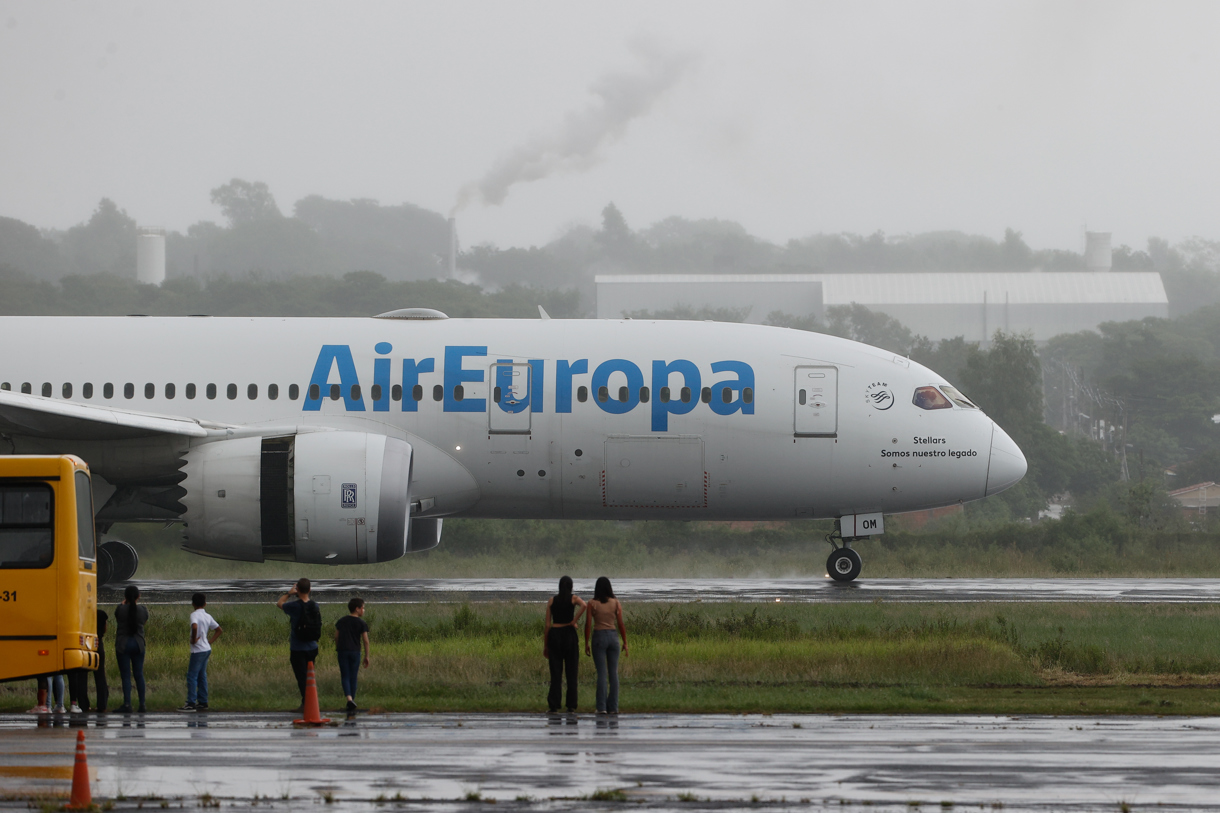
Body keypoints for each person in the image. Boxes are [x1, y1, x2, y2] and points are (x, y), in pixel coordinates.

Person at [584, 576, 629, 715]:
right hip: (613, 637)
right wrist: (625, 642)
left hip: (599, 636)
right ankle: (613, 707)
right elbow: (620, 623)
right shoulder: (615, 602)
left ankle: (602, 707)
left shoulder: (592, 603)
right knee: (613, 674)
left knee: (602, 674)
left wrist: (586, 642)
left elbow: (588, 624)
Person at [276, 578, 322, 712]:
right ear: (310, 589)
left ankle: (306, 703)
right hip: (313, 646)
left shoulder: (294, 606)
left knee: (302, 677)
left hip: (298, 647)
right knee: (310, 675)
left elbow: (280, 603)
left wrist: (289, 593)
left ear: (298, 590)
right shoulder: (315, 605)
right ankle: (309, 700)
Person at [543, 575, 586, 713]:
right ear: (571, 586)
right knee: (571, 670)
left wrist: (546, 644)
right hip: (569, 633)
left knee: (555, 672)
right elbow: (584, 605)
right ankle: (571, 705)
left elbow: (547, 625)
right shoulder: (573, 599)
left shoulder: (552, 601)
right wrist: (574, 621)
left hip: (555, 633)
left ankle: (554, 704)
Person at [177, 593, 223, 712]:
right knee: (202, 675)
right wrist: (209, 641)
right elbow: (219, 630)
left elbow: (194, 626)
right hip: (206, 649)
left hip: (197, 650)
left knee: (192, 676)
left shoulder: (194, 615)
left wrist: (193, 639)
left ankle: (191, 702)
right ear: (205, 603)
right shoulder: (207, 616)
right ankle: (203, 701)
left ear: (193, 603)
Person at [114, 584, 148, 713]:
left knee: (126, 676)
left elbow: (118, 618)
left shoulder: (120, 609)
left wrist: (123, 604)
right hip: (138, 643)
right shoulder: (143, 610)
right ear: (138, 596)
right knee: (139, 674)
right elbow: (143, 622)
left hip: (123, 644)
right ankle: (142, 704)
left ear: (125, 597)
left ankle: (127, 704)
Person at [334, 597, 370, 712]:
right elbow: (365, 641)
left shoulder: (342, 621)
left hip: (343, 650)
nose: (363, 610)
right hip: (355, 651)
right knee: (353, 676)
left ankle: (349, 699)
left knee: (345, 675)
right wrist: (367, 655)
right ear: (357, 609)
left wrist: (338, 646)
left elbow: (336, 636)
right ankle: (352, 700)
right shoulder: (361, 623)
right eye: (363, 608)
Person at [93, 608, 110, 713]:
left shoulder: (84, 613)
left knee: (82, 676)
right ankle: (102, 704)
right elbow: (104, 629)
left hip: (85, 643)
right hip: (98, 643)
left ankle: (83, 704)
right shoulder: (101, 614)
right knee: (100, 676)